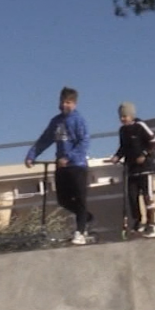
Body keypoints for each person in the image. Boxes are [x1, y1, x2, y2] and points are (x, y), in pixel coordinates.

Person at [25, 86, 93, 245]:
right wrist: (31, 155)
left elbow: (85, 142)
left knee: (80, 198)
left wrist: (69, 157)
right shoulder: (56, 122)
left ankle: (80, 231)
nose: (65, 105)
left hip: (77, 166)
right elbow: (45, 139)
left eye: (68, 102)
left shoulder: (78, 120)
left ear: (74, 104)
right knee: (63, 200)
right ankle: (87, 218)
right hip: (61, 167)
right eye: (63, 102)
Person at [107, 101, 155, 234]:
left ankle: (151, 222)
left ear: (131, 115)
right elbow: (123, 147)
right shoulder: (123, 131)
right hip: (131, 169)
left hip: (144, 168)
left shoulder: (140, 126)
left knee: (147, 196)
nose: (123, 119)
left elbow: (154, 141)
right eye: (121, 116)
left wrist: (144, 154)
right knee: (132, 196)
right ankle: (137, 221)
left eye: (125, 116)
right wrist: (116, 157)